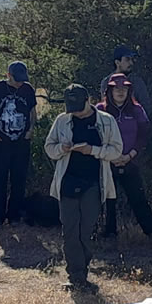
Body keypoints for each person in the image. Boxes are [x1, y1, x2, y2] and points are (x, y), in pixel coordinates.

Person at [44, 84, 122, 293]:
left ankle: (83, 270)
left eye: (79, 107)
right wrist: (62, 148)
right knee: (70, 231)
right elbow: (49, 148)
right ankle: (76, 276)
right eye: (72, 108)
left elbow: (116, 151)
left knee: (86, 231)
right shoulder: (62, 120)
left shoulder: (106, 121)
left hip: (94, 183)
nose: (76, 112)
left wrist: (92, 150)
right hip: (67, 182)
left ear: (89, 100)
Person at [100, 73, 152, 242]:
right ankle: (109, 236)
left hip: (130, 161)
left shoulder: (137, 109)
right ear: (109, 91)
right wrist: (109, 156)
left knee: (138, 198)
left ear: (129, 91)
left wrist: (131, 154)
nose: (120, 92)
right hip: (107, 162)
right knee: (108, 199)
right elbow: (95, 135)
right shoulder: (100, 109)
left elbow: (143, 134)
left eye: (124, 88)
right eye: (116, 88)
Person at [0, 60, 38, 225]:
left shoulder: (27, 89)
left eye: (22, 80)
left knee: (19, 180)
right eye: (17, 79)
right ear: (8, 75)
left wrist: (31, 129)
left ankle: (14, 216)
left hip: (21, 144)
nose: (20, 83)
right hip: (0, 143)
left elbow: (33, 111)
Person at [111, 44, 152, 112]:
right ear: (117, 62)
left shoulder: (137, 81)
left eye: (131, 59)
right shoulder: (106, 82)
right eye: (127, 59)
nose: (131, 63)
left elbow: (146, 107)